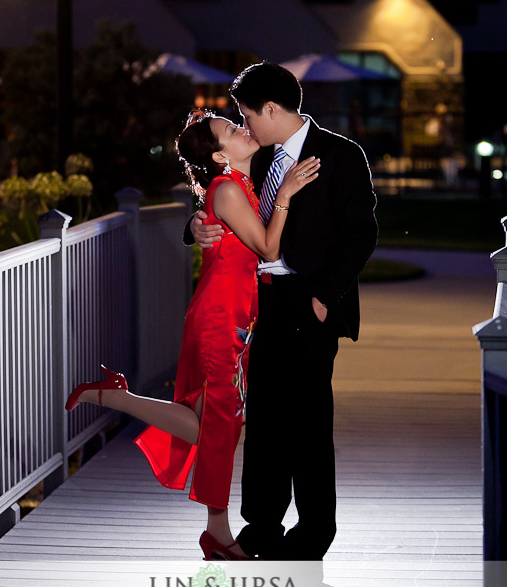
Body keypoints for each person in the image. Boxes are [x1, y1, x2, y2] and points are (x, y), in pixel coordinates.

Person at [65, 109, 319, 560]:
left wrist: (204, 223)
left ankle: (215, 529)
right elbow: (267, 247)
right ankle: (216, 533)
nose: (244, 129)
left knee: (215, 426)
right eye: (232, 130)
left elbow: (229, 230)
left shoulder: (236, 183)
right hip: (220, 319)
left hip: (233, 316)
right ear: (222, 155)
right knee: (220, 427)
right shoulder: (228, 189)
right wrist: (286, 196)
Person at [190, 62, 378, 560]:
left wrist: (325, 297)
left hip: (310, 302)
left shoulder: (340, 155)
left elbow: (363, 233)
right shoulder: (260, 155)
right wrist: (195, 225)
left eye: (247, 114)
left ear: (271, 109)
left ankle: (315, 531)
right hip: (260, 305)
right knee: (267, 418)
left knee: (310, 420)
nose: (244, 125)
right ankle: (263, 524)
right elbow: (222, 199)